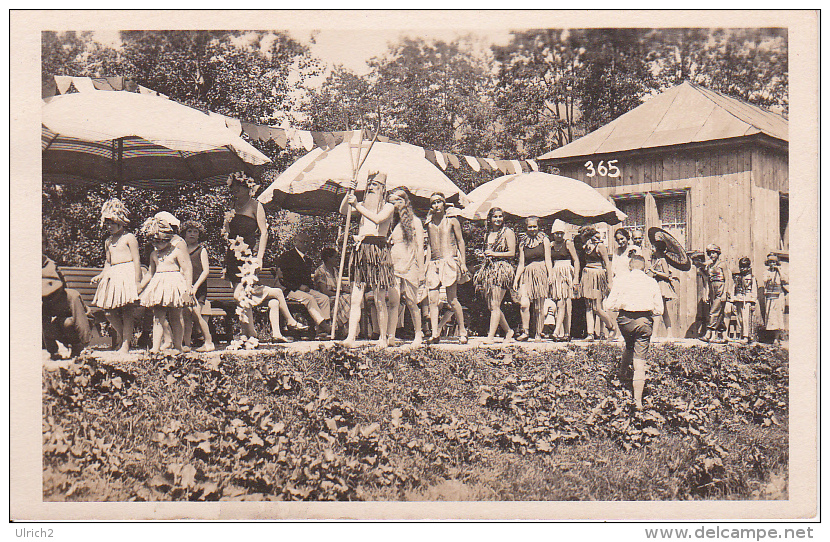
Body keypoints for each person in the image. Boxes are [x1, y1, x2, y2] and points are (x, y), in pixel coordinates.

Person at [339, 172, 397, 347]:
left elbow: (378, 219)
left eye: (376, 185)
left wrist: (357, 204)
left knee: (380, 298)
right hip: (362, 251)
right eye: (369, 184)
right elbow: (343, 210)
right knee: (356, 297)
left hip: (378, 250)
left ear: (383, 189)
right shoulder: (363, 204)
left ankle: (383, 338)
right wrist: (350, 191)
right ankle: (351, 336)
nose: (371, 188)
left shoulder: (388, 206)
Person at [604, 254, 664, 410]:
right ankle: (637, 401)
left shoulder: (621, 280)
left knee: (629, 346)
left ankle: (622, 373)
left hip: (625, 321)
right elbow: (659, 309)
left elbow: (609, 305)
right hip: (644, 321)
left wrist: (621, 305)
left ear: (630, 266)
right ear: (644, 268)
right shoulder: (651, 282)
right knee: (639, 362)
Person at [223, 171, 269, 341]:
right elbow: (227, 231)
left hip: (250, 256)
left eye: (238, 187)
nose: (235, 190)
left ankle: (251, 332)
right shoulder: (232, 205)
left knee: (241, 294)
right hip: (233, 254)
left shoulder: (256, 206)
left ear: (247, 188)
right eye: (233, 187)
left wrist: (260, 257)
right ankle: (247, 333)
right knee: (241, 295)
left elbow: (264, 233)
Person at [90, 198, 141, 354]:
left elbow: (136, 259)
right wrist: (101, 275)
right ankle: (123, 336)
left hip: (127, 274)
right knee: (109, 311)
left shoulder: (129, 237)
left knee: (126, 311)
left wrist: (137, 281)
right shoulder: (108, 241)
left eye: (112, 222)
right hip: (113, 276)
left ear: (120, 221)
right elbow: (108, 262)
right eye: (107, 223)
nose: (110, 226)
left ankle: (125, 344)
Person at [138, 216, 193, 353]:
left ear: (167, 239)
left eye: (159, 241)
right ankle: (155, 347)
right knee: (158, 317)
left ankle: (178, 346)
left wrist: (188, 288)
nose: (156, 245)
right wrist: (140, 286)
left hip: (174, 285)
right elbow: (151, 273)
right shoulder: (154, 254)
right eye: (153, 242)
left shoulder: (176, 251)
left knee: (176, 316)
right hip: (159, 286)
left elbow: (186, 269)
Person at [425, 192, 468, 344]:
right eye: (433, 203)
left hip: (450, 260)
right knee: (433, 299)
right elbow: (430, 245)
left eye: (439, 202)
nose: (436, 205)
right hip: (434, 262)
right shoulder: (429, 223)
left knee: (452, 299)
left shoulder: (452, 221)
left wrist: (463, 262)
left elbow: (460, 241)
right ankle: (435, 333)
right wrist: (426, 264)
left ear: (444, 204)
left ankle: (463, 331)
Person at [387, 187, 426, 347]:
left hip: (410, 265)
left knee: (411, 302)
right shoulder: (393, 223)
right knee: (393, 302)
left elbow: (420, 247)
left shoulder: (415, 221)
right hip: (394, 265)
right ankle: (391, 336)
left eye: (396, 201)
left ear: (404, 202)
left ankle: (418, 334)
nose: (394, 205)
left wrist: (422, 271)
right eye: (391, 202)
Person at [277, 232, 333, 341]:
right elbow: (283, 279)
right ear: (295, 242)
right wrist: (298, 286)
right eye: (302, 242)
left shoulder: (308, 260)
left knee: (324, 298)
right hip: (290, 290)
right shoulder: (287, 256)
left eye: (307, 242)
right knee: (310, 299)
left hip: (305, 291)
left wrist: (310, 288)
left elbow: (307, 281)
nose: (305, 244)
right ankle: (325, 327)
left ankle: (321, 331)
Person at [474, 207, 516, 344]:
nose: (498, 219)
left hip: (502, 270)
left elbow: (512, 253)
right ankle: (509, 331)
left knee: (495, 304)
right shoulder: (488, 233)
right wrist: (482, 254)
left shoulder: (508, 232)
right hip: (489, 269)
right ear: (490, 219)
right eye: (495, 217)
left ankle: (490, 336)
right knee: (491, 305)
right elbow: (487, 251)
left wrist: (494, 254)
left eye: (500, 217)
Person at [43, 253, 91, 359]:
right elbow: (45, 326)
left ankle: (78, 347)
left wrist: (84, 344)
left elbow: (82, 323)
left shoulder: (72, 296)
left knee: (67, 323)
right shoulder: (46, 301)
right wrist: (53, 351)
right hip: (63, 326)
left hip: (80, 324)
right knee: (46, 323)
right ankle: (57, 351)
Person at [513, 216, 553, 342]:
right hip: (527, 273)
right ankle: (525, 331)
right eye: (530, 226)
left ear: (538, 226)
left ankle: (538, 333)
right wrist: (516, 279)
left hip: (540, 272)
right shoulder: (523, 242)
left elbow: (548, 259)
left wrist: (550, 275)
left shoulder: (544, 240)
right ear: (526, 227)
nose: (532, 229)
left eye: (534, 226)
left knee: (539, 306)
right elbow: (521, 263)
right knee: (524, 304)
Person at [180, 220, 215, 352]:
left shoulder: (201, 250)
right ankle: (187, 344)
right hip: (185, 287)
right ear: (184, 233)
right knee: (186, 315)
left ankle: (209, 342)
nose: (192, 234)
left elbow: (206, 271)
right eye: (189, 231)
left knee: (196, 314)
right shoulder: (180, 250)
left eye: (195, 232)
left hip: (198, 288)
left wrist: (195, 287)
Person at [577, 225, 616, 340]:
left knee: (597, 307)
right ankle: (590, 333)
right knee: (588, 306)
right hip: (587, 275)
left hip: (597, 275)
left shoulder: (600, 246)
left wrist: (609, 281)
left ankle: (611, 326)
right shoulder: (585, 248)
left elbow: (607, 264)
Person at [547, 219, 580, 341]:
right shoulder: (551, 245)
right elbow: (549, 262)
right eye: (557, 233)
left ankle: (562, 332)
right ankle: (564, 333)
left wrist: (576, 278)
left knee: (566, 302)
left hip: (566, 273)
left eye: (561, 233)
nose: (559, 235)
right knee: (562, 302)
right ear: (553, 233)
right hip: (556, 273)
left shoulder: (568, 244)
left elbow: (576, 260)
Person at [313, 246, 352, 337]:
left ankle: (342, 328)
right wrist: (339, 294)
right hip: (325, 299)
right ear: (328, 258)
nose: (337, 260)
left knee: (352, 298)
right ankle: (337, 328)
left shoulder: (335, 271)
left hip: (336, 296)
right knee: (346, 299)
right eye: (335, 257)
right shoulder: (320, 271)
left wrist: (348, 290)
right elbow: (324, 291)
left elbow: (341, 287)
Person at [647, 240, 679, 338]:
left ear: (657, 249)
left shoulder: (662, 260)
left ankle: (665, 334)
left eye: (653, 247)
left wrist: (654, 271)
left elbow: (666, 274)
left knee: (661, 310)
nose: (652, 249)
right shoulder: (656, 260)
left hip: (662, 285)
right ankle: (662, 334)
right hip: (656, 284)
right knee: (659, 309)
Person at [703, 243, 731, 343]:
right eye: (710, 253)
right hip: (712, 289)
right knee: (719, 313)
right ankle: (723, 336)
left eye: (714, 253)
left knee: (713, 312)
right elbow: (707, 279)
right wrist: (706, 293)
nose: (712, 255)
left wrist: (725, 293)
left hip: (720, 288)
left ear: (718, 254)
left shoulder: (722, 264)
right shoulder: (709, 265)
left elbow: (727, 279)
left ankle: (708, 333)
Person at [762, 253, 787, 346]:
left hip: (778, 296)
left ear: (776, 262)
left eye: (774, 262)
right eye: (770, 262)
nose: (772, 264)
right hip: (770, 295)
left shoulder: (780, 271)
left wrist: (779, 271)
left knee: (778, 315)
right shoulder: (766, 272)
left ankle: (777, 338)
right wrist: (769, 278)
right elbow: (765, 280)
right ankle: (771, 337)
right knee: (770, 316)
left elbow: (785, 280)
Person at [732, 256, 758, 344]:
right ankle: (741, 335)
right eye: (741, 267)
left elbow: (754, 290)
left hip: (747, 300)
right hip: (739, 299)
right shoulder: (737, 278)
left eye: (745, 267)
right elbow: (734, 289)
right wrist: (734, 301)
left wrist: (753, 302)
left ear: (749, 267)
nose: (743, 269)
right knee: (740, 319)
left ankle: (747, 336)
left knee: (746, 318)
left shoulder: (752, 278)